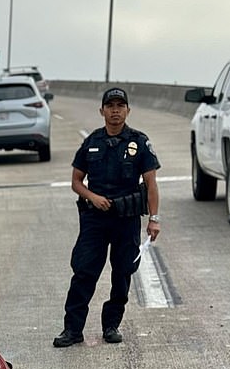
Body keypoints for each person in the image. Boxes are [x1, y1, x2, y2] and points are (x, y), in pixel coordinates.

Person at [53, 87, 161, 347]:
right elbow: (76, 181)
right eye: (110, 106)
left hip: (126, 219)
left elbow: (151, 183)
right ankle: (72, 329)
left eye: (120, 106)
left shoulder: (139, 142)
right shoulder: (92, 142)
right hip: (95, 219)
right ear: (102, 111)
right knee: (84, 272)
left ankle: (111, 325)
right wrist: (92, 197)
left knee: (122, 273)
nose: (115, 110)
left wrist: (154, 219)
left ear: (127, 110)